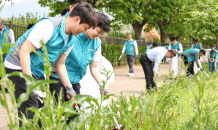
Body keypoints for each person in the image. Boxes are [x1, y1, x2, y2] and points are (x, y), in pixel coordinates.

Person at [3, 2, 98, 127]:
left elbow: (60, 65)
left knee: (45, 113)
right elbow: (24, 52)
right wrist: (30, 83)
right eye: (85, 28)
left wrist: (69, 88)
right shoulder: (49, 26)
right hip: (18, 66)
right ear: (77, 19)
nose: (83, 32)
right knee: (31, 113)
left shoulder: (71, 39)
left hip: (37, 70)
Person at [49, 12, 110, 124]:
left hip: (75, 82)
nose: (98, 35)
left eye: (101, 33)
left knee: (74, 116)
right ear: (91, 24)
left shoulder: (96, 43)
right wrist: (67, 87)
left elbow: (94, 68)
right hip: (57, 79)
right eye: (98, 31)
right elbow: (59, 63)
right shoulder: (73, 36)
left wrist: (101, 84)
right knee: (56, 114)